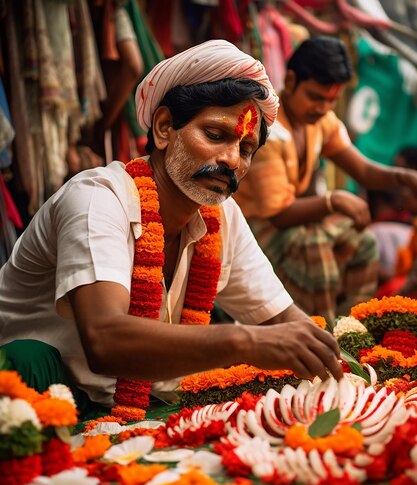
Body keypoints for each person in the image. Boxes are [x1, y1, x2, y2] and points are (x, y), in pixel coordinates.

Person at [0, 40, 342, 421]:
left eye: (245, 149)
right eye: (215, 135)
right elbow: (106, 340)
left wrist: (346, 374)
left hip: (140, 401)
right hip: (40, 388)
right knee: (26, 359)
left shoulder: (222, 216)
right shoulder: (98, 199)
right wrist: (243, 340)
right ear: (164, 128)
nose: (230, 159)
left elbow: (283, 321)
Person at [234, 36, 417, 321]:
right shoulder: (268, 129)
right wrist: (334, 200)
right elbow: (280, 215)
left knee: (363, 242)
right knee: (316, 250)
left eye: (331, 101)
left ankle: (353, 329)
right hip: (251, 229)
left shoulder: (320, 121)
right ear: (291, 81)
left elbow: (364, 171)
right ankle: (321, 334)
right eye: (316, 97)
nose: (322, 108)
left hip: (288, 223)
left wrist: (403, 177)